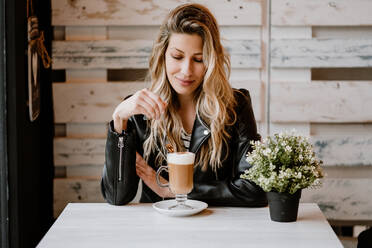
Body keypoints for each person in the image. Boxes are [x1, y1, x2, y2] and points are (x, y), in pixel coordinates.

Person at [101, 3, 267, 207]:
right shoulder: (139, 111)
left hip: (218, 227)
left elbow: (255, 190)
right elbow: (117, 196)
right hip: (158, 228)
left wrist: (176, 190)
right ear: (162, 55)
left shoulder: (235, 105)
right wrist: (119, 120)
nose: (187, 70)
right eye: (177, 57)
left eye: (198, 59)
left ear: (211, 61)